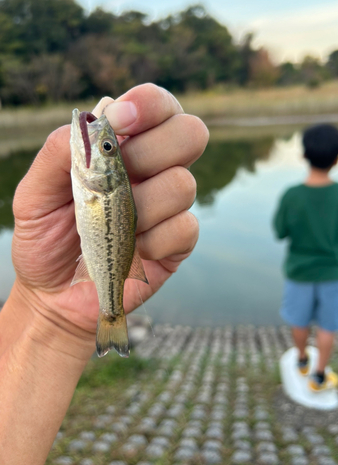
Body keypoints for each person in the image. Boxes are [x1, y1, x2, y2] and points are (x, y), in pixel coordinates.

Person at [0, 84, 209, 465]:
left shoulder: (97, 183)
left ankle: (110, 316)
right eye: (108, 149)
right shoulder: (93, 181)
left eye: (107, 149)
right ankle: (111, 318)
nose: (101, 145)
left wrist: (47, 313)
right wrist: (43, 307)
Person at [273, 123, 338, 392]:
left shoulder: (291, 195)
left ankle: (301, 359)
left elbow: (280, 231)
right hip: (333, 272)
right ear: (336, 158)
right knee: (327, 327)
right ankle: (319, 375)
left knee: (299, 321)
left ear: (304, 155)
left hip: (299, 272)